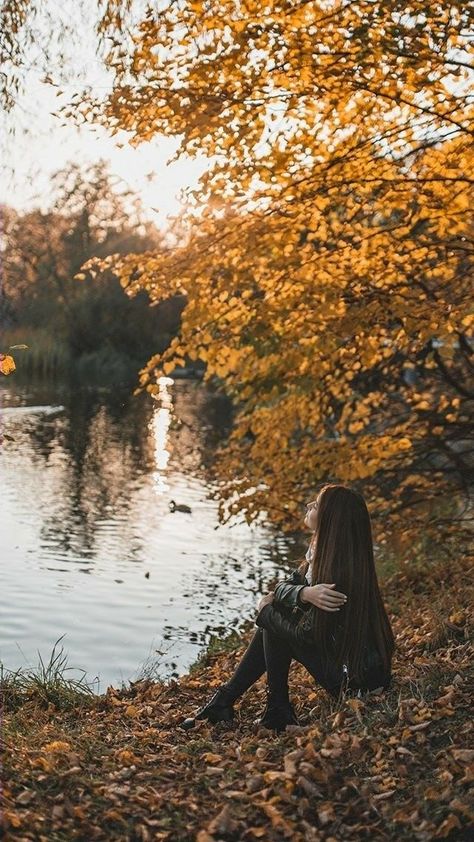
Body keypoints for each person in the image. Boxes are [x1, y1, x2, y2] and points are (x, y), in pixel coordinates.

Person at [181, 483, 395, 733]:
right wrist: (303, 593)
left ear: (329, 518)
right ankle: (239, 704)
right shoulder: (327, 556)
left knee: (272, 623)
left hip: (355, 684)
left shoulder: (337, 575)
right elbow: (283, 586)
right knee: (272, 618)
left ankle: (264, 708)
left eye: (316, 505)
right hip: (357, 673)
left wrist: (266, 613)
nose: (309, 507)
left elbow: (309, 636)